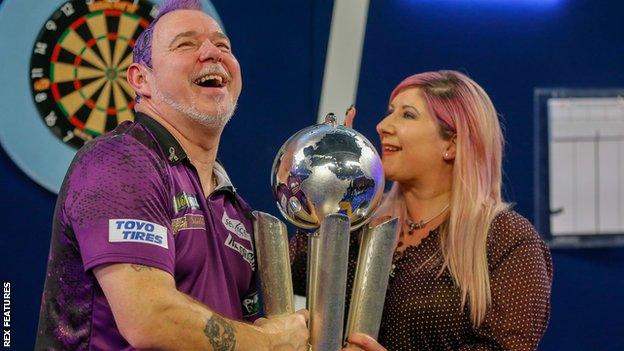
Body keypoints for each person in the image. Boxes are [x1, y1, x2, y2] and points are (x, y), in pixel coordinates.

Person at [35, 0, 308, 349]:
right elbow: (151, 319)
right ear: (141, 79)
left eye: (223, 45)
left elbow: (242, 334)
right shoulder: (121, 161)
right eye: (186, 44)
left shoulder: (235, 209)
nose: (212, 52)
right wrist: (270, 341)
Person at [290, 70, 552, 351]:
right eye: (390, 112)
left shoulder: (509, 239)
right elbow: (288, 273)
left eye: (407, 115)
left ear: (451, 143)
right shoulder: (358, 223)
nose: (381, 126)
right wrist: (335, 191)